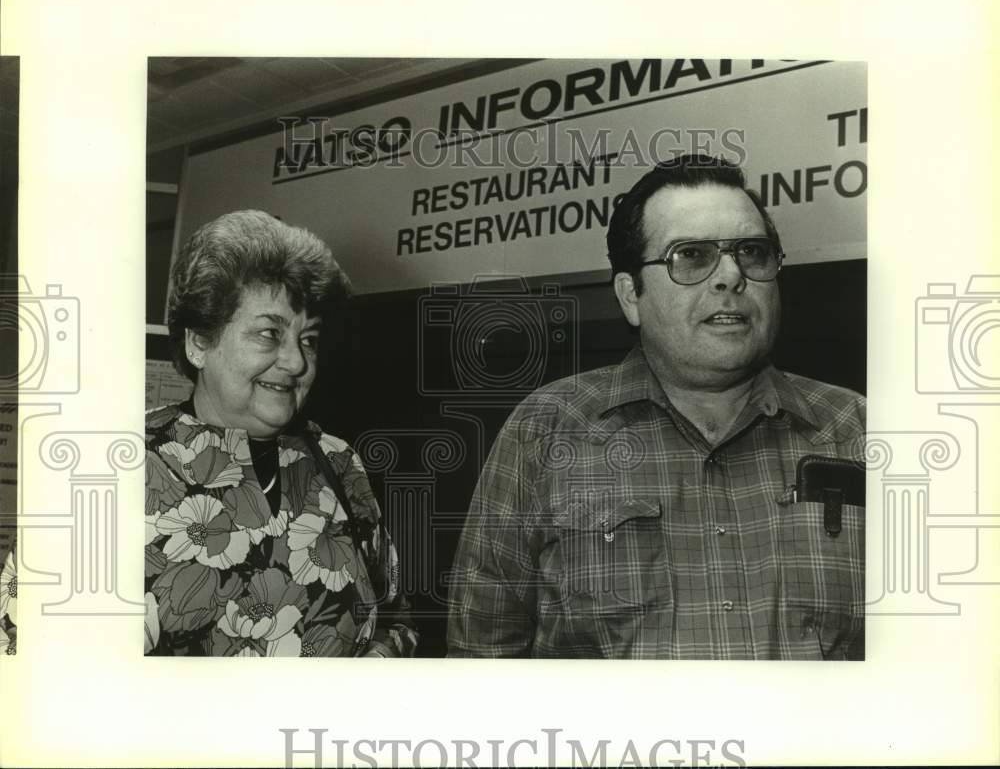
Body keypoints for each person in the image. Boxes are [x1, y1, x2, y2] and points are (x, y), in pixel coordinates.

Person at [447, 154, 865, 659]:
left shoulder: (859, 428)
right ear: (630, 296)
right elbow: (483, 657)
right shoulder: (546, 430)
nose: (732, 276)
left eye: (752, 252)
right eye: (691, 256)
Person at [144, 210, 417, 657]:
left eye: (308, 339)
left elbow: (396, 618)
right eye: (270, 334)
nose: (296, 362)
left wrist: (378, 665)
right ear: (198, 342)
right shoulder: (113, 464)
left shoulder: (338, 463)